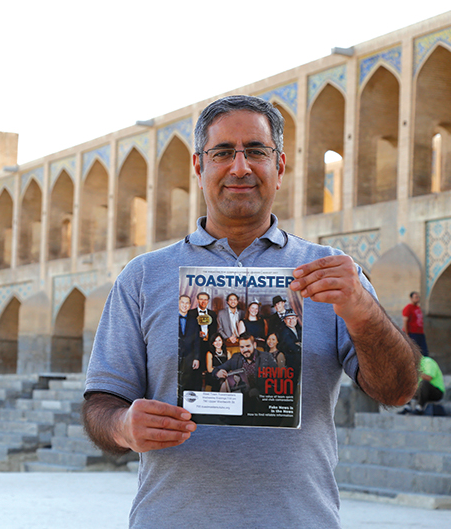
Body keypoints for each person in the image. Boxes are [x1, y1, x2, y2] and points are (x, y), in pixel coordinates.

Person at [81, 95, 420, 528]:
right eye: (222, 153)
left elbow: (397, 390)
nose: (240, 167)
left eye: (256, 152)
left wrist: (363, 312)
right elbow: (101, 403)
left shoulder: (332, 275)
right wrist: (123, 426)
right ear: (198, 166)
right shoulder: (144, 277)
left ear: (279, 168)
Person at [402, 291, 429, 356]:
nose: (418, 299)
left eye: (418, 297)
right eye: (416, 297)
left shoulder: (418, 308)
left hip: (420, 333)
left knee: (424, 352)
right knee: (414, 352)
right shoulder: (408, 307)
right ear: (411, 298)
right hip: (412, 333)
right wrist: (406, 334)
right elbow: (405, 321)